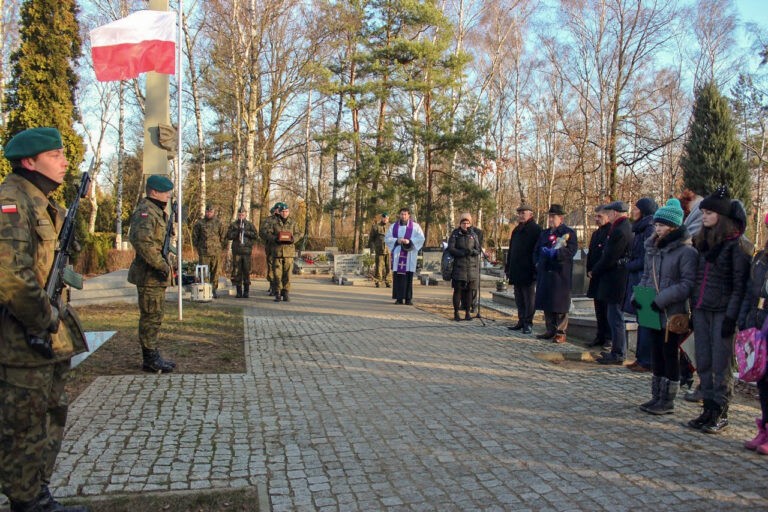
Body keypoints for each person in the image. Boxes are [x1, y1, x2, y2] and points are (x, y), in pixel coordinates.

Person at [0, 127, 90, 512]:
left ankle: (37, 495)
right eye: (56, 155)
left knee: (48, 418)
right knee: (22, 427)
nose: (65, 161)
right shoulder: (12, 201)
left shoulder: (41, 201)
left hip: (43, 339)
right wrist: (46, 318)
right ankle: (26, 501)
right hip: (21, 340)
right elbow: (11, 276)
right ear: (29, 161)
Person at [686, 186, 750, 434]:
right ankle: (708, 408)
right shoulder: (704, 242)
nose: (704, 216)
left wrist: (731, 317)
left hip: (723, 311)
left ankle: (721, 411)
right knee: (703, 360)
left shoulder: (737, 246)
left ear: (721, 216)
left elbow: (739, 286)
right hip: (702, 309)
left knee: (721, 365)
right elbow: (698, 279)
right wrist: (694, 308)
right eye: (703, 213)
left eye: (709, 213)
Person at [631, 199, 697, 415]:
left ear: (673, 226)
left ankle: (668, 400)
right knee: (655, 352)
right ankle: (656, 396)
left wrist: (660, 300)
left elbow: (686, 284)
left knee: (669, 354)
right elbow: (647, 276)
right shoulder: (653, 248)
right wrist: (638, 295)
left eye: (662, 225)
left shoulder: (686, 252)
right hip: (650, 307)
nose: (657, 228)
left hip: (671, 311)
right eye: (657, 225)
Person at [127, 174, 177, 374]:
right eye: (165, 192)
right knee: (150, 316)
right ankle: (150, 358)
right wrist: (161, 266)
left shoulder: (157, 211)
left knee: (155, 316)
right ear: (154, 191)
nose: (168, 195)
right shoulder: (146, 212)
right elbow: (142, 242)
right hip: (149, 274)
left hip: (155, 275)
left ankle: (153, 354)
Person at [739, 213, 768, 453]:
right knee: (763, 378)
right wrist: (745, 319)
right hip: (758, 322)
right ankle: (764, 428)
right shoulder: (761, 258)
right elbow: (750, 291)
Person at [592, 201, 633, 365]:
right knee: (613, 316)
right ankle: (616, 351)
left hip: (615, 278)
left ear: (615, 213)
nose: (608, 216)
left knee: (615, 317)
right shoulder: (621, 228)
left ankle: (618, 353)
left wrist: (596, 270)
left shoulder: (620, 230)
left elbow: (610, 256)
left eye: (609, 213)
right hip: (614, 277)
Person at [533, 204, 578, 343]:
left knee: (559, 304)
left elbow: (571, 251)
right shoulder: (545, 233)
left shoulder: (568, 233)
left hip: (560, 273)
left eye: (553, 217)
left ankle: (560, 331)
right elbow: (536, 250)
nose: (551, 219)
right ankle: (550, 329)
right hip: (546, 272)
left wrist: (556, 253)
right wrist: (537, 262)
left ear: (561, 218)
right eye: (550, 217)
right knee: (547, 302)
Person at [624, 197, 658, 372]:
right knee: (641, 320)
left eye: (636, 208)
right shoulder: (640, 228)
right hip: (638, 277)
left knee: (646, 321)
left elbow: (646, 258)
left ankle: (646, 360)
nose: (633, 211)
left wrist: (629, 265)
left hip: (644, 279)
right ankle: (641, 358)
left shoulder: (649, 229)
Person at [505, 205, 542, 334]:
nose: (520, 215)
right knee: (519, 297)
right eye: (519, 213)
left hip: (529, 270)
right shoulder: (516, 230)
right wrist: (508, 267)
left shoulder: (536, 229)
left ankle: (528, 322)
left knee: (529, 298)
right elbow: (511, 250)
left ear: (530, 214)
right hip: (516, 269)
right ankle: (521, 320)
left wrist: (535, 268)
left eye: (523, 213)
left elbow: (538, 250)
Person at [385, 207, 425, 305]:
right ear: (399, 215)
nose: (403, 216)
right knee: (398, 277)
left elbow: (421, 238)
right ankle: (399, 298)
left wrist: (410, 241)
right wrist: (397, 240)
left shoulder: (415, 227)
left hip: (409, 254)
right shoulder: (394, 226)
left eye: (405, 214)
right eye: (402, 214)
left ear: (409, 215)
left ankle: (408, 298)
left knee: (408, 277)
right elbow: (387, 238)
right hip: (398, 255)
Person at [262, 202, 300, 302]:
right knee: (277, 274)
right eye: (283, 211)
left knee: (287, 274)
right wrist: (275, 239)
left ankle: (286, 292)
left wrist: (293, 239)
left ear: (289, 212)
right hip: (277, 252)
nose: (284, 213)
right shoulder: (273, 221)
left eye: (286, 211)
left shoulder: (293, 222)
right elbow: (266, 233)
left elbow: (298, 233)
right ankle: (277, 293)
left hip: (288, 253)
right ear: (279, 212)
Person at [586, 205, 612, 349]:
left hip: (605, 276)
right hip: (595, 275)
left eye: (599, 216)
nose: (596, 219)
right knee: (598, 309)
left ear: (608, 216)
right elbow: (591, 253)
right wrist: (589, 269)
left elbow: (607, 256)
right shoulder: (596, 234)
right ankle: (600, 335)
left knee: (607, 308)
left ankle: (609, 337)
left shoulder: (610, 231)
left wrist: (596, 270)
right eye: (595, 216)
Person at [448, 213, 482, 321]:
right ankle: (456, 313)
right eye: (463, 223)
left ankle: (468, 313)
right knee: (458, 290)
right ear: (460, 223)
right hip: (459, 266)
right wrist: (462, 253)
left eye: (467, 223)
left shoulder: (473, 235)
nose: (465, 225)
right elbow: (451, 249)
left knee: (469, 291)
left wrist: (472, 251)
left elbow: (478, 249)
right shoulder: (455, 234)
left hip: (471, 267)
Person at [192, 204, 227, 298]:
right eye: (207, 211)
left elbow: (223, 236)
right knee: (204, 272)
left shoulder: (219, 223)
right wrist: (198, 248)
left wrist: (221, 248)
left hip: (216, 252)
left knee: (216, 272)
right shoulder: (199, 223)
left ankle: (214, 290)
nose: (209, 213)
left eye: (211, 212)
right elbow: (195, 237)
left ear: (214, 212)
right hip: (204, 252)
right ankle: (206, 290)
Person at [227, 206, 258, 298]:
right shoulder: (233, 225)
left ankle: (246, 291)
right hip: (237, 251)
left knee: (246, 271)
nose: (241, 216)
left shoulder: (249, 225)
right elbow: (229, 236)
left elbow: (255, 235)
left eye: (243, 214)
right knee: (237, 271)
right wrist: (237, 232)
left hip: (246, 251)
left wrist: (246, 232)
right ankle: (239, 291)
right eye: (239, 214)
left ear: (246, 215)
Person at [369, 212, 392, 288]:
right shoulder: (376, 227)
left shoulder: (391, 227)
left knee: (388, 266)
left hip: (388, 249)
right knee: (379, 266)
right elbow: (371, 238)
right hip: (379, 249)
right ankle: (378, 281)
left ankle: (388, 281)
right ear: (381, 218)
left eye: (387, 218)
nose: (386, 219)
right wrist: (372, 248)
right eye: (384, 218)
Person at [261, 204, 280, 296]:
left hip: (283, 249)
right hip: (271, 247)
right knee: (272, 267)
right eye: (276, 209)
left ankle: (280, 288)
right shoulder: (268, 220)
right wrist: (272, 237)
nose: (278, 211)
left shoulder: (285, 220)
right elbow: (262, 233)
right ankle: (272, 286)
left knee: (280, 268)